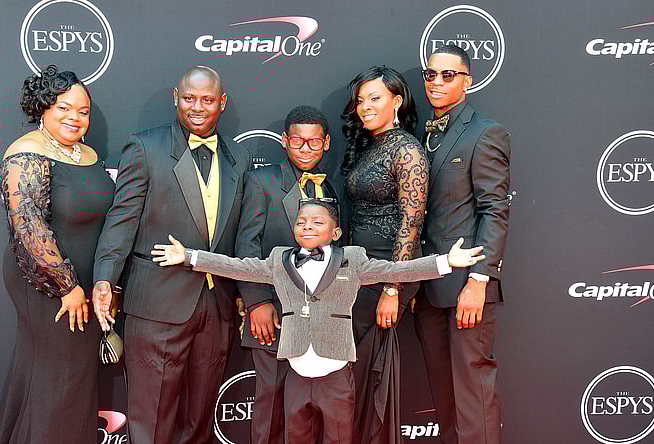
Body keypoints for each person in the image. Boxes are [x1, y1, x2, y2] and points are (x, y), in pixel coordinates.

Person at [150, 199, 485, 444]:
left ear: (335, 231)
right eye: (302, 222)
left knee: (339, 438)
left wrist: (444, 262)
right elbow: (238, 266)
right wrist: (190, 257)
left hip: (336, 375)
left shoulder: (352, 260)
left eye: (316, 222)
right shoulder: (279, 260)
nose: (307, 226)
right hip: (296, 372)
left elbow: (395, 271)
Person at [90, 66, 251, 444]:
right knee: (152, 422)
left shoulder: (239, 157)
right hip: (157, 306)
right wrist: (104, 279)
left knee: (199, 421)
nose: (198, 107)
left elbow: (243, 236)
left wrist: (249, 294)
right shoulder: (145, 148)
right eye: (189, 98)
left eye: (207, 100)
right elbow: (121, 221)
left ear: (222, 103)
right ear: (175, 99)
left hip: (216, 307)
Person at [0, 65, 115, 443]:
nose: (74, 118)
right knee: (59, 378)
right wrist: (67, 287)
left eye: (83, 111)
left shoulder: (87, 154)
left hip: (86, 285)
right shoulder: (26, 153)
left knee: (66, 378)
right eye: (63, 108)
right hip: (47, 287)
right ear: (42, 108)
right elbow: (28, 229)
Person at [413, 44, 511, 444]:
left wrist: (479, 280)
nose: (436, 82)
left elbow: (495, 211)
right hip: (428, 290)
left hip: (467, 290)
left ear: (467, 80)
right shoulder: (420, 135)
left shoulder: (486, 133)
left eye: (447, 75)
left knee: (474, 394)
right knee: (444, 399)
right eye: (430, 74)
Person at [234, 105, 339, 444]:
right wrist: (256, 302)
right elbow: (246, 244)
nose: (305, 149)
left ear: (325, 144)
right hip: (275, 314)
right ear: (284, 141)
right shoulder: (262, 180)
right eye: (297, 141)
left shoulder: (333, 189)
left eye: (313, 142)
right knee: (271, 402)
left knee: (307, 410)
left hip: (320, 321)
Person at [341, 65, 428, 443]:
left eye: (374, 98)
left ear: (396, 101)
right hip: (358, 273)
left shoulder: (407, 150)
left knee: (366, 374)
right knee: (352, 373)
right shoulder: (372, 145)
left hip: (384, 275)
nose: (364, 107)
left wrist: (393, 287)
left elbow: (411, 222)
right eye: (360, 100)